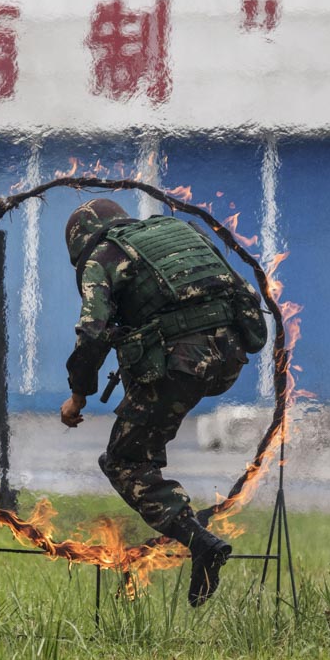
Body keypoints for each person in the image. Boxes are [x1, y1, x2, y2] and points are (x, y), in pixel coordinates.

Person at [59, 198, 267, 606]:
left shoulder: (102, 256)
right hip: (228, 360)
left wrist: (78, 394)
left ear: (81, 243)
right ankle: (197, 535)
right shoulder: (182, 232)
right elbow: (243, 292)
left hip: (180, 366)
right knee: (145, 434)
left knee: (125, 461)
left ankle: (201, 542)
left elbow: (93, 331)